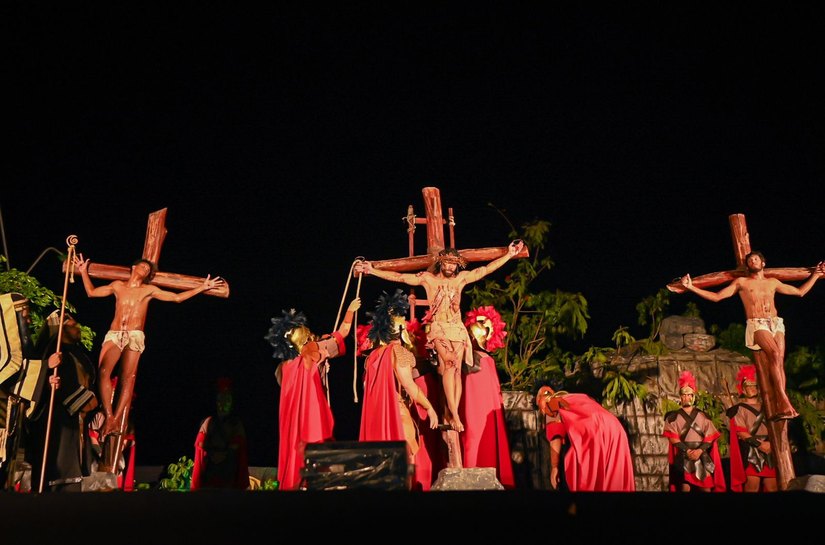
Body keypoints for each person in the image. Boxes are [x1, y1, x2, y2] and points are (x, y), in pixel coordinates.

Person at [355, 240, 524, 434]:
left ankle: (454, 412)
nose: (450, 267)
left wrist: (509, 254)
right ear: (441, 263)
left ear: (457, 265)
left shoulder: (461, 279)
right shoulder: (429, 279)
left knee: (456, 369)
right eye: (447, 263)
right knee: (449, 363)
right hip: (439, 328)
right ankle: (454, 413)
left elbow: (485, 270)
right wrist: (373, 270)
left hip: (457, 328)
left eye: (454, 263)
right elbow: (400, 277)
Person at [73, 253, 225, 444]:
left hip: (134, 335)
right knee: (104, 371)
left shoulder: (149, 290)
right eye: (143, 267)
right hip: (114, 334)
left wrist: (202, 287)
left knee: (127, 377)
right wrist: (83, 271)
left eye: (148, 270)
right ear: (134, 268)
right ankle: (108, 416)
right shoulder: (118, 286)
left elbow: (176, 298)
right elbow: (92, 292)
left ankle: (116, 418)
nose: (145, 270)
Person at [679, 254, 824, 421]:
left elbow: (800, 292)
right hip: (757, 324)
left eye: (756, 259)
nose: (752, 261)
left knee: (779, 362)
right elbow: (717, 297)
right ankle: (784, 401)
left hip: (775, 323)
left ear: (763, 262)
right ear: (747, 266)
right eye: (750, 260)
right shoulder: (742, 283)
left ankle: (781, 406)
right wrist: (691, 287)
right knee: (775, 355)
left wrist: (816, 275)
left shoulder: (772, 282)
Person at [265, 297, 361, 491]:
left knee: (295, 452)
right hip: (312, 419)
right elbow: (342, 333)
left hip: (292, 425)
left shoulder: (284, 367)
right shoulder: (311, 351)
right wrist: (350, 310)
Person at [357, 289, 439, 490]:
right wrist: (429, 407)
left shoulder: (372, 358)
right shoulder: (398, 352)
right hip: (396, 416)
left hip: (375, 418)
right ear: (400, 330)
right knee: (404, 462)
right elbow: (409, 385)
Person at [26, 312, 98, 492]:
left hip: (76, 417)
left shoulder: (76, 352)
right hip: (58, 417)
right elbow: (62, 383)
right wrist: (87, 401)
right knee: (58, 466)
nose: (78, 329)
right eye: (73, 326)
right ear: (61, 330)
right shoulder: (54, 352)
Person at [536, 385, 635, 491]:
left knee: (582, 472)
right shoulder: (577, 397)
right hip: (615, 428)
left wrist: (554, 467)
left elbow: (556, 437)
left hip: (594, 431)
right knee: (612, 475)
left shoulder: (551, 403)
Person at [459, 305, 515, 489]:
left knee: (479, 439)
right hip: (469, 412)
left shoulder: (485, 361)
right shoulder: (478, 360)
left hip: (478, 414)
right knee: (473, 439)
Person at [662, 370, 726, 492]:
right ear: (680, 397)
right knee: (685, 488)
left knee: (707, 489)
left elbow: (710, 437)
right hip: (683, 455)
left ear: (693, 397)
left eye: (689, 395)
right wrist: (688, 451)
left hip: (702, 454)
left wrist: (699, 451)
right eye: (684, 395)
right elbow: (673, 438)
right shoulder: (672, 417)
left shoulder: (703, 416)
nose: (686, 397)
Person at [191, 377, 249, 490]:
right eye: (220, 400)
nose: (223, 404)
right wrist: (213, 453)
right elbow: (200, 444)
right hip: (210, 470)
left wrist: (222, 454)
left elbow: (237, 445)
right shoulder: (208, 421)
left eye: (227, 400)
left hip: (228, 471)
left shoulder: (236, 424)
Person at [727, 364, 777, 492]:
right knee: (752, 486)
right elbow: (742, 432)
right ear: (743, 390)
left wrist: (770, 444)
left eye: (754, 385)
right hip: (752, 450)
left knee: (773, 487)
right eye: (749, 386)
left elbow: (776, 428)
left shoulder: (768, 407)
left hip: (769, 448)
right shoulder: (739, 409)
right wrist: (760, 445)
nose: (752, 388)